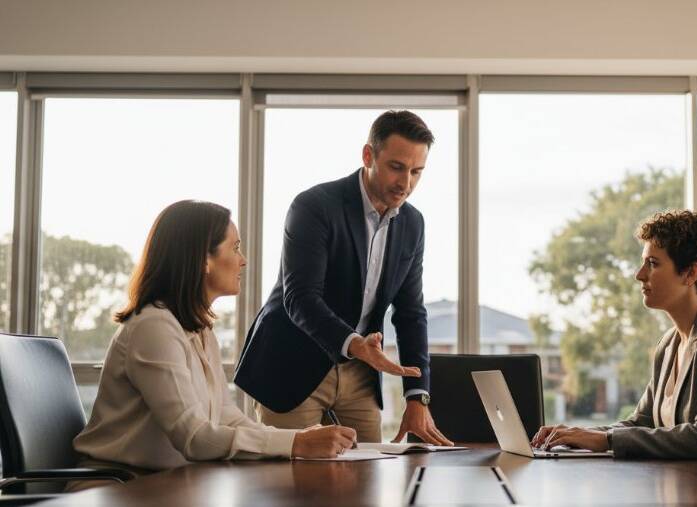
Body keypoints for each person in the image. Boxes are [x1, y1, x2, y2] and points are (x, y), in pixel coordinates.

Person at [72, 201, 355, 480]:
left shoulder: (199, 330)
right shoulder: (154, 327)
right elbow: (194, 437)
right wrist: (296, 445)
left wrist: (298, 437)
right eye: (234, 248)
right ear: (203, 260)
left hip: (165, 485)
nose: (243, 259)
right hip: (116, 489)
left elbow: (226, 416)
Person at [235, 110, 452, 446]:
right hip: (292, 364)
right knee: (290, 486)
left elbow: (411, 313)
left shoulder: (412, 224)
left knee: (365, 479)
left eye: (416, 172)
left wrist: (417, 396)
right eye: (396, 167)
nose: (405, 183)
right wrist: (355, 344)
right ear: (369, 155)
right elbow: (301, 298)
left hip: (359, 375)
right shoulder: (314, 206)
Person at [531, 210, 697, 469]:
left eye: (653, 263)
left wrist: (605, 439)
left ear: (690, 274)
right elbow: (640, 423)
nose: (639, 274)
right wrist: (575, 435)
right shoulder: (669, 343)